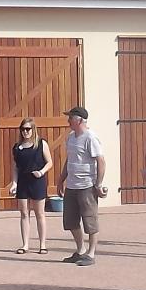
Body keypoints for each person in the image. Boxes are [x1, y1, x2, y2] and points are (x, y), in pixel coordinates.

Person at [61, 106, 108, 266]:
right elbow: (69, 159)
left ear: (79, 120)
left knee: (90, 220)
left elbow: (100, 161)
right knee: (70, 221)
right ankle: (80, 250)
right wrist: (61, 179)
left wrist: (98, 184)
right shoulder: (71, 137)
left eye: (71, 118)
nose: (68, 121)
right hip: (72, 185)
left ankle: (91, 253)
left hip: (87, 186)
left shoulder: (91, 138)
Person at [11, 117, 52, 254]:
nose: (25, 132)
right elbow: (15, 167)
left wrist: (41, 172)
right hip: (23, 181)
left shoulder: (41, 144)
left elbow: (49, 162)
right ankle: (25, 245)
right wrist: (14, 183)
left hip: (37, 181)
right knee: (24, 213)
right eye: (22, 129)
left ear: (33, 130)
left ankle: (42, 244)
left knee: (39, 213)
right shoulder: (17, 147)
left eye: (28, 129)